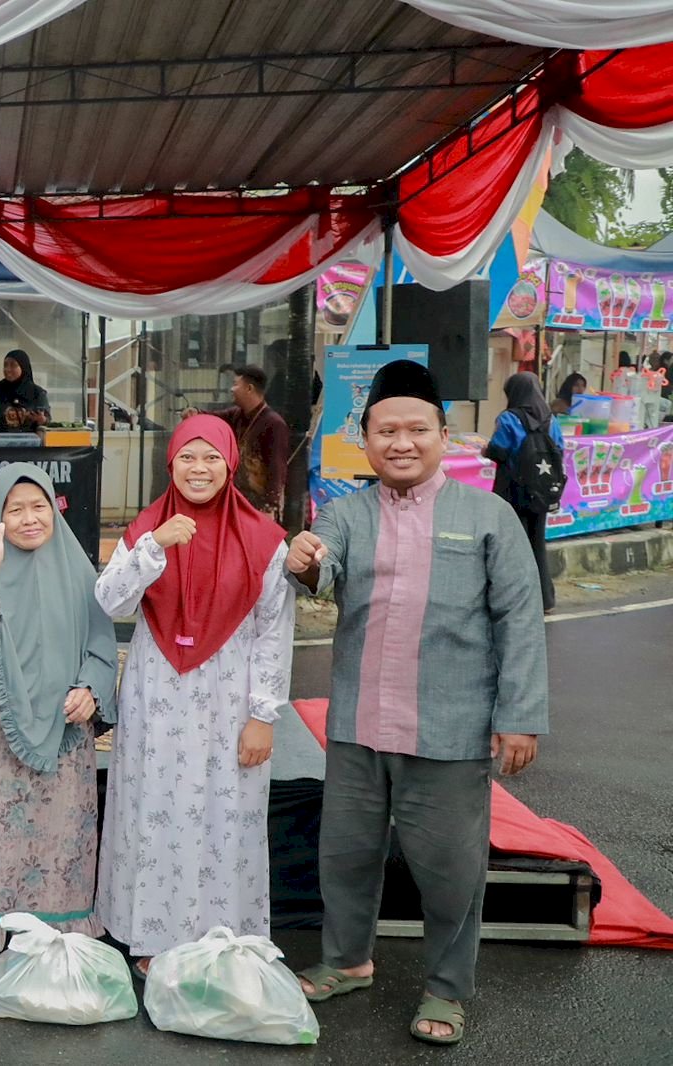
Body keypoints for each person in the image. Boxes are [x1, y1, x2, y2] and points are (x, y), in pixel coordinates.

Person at [286, 360, 548, 1047]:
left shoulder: (487, 516)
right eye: (386, 431)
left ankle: (446, 987)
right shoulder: (346, 512)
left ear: (443, 434)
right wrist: (307, 557)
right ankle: (347, 960)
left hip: (451, 729)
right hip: (357, 723)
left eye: (416, 430)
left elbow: (519, 620)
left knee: (450, 868)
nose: (401, 443)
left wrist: (519, 716)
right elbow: (322, 569)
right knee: (344, 853)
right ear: (366, 439)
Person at [94, 414, 293, 977]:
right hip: (158, 691)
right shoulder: (147, 528)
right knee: (154, 809)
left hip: (230, 694)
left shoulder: (262, 540)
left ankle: (222, 935)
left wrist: (263, 715)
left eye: (210, 457)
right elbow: (110, 604)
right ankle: (150, 934)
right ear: (170, 463)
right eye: (187, 457)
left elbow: (274, 633)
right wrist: (152, 548)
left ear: (229, 462)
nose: (198, 469)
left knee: (225, 810)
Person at [0, 465, 117, 979]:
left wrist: (90, 688)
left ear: (54, 508)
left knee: (61, 832)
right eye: (14, 509)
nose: (28, 518)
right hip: (0, 727)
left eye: (37, 506)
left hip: (66, 730)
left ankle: (61, 933)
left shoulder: (79, 568)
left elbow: (102, 642)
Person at [485, 371, 564, 612]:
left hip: (511, 490)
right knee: (536, 541)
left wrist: (484, 451)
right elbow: (560, 450)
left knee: (509, 544)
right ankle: (544, 598)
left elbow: (498, 450)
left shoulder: (509, 418)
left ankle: (513, 597)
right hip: (541, 490)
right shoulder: (552, 420)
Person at [190, 364, 291, 519]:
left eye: (236, 384)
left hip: (260, 504)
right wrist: (195, 414)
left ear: (249, 388)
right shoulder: (236, 415)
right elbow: (212, 418)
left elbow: (276, 468)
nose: (232, 389)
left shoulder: (274, 424)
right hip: (237, 498)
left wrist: (270, 506)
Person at [0, 349, 52, 432]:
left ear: (23, 367)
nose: (8, 369)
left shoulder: (37, 393)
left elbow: (47, 422)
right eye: (5, 365)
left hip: (30, 443)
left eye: (13, 365)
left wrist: (43, 420)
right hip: (0, 442)